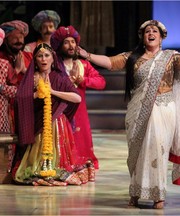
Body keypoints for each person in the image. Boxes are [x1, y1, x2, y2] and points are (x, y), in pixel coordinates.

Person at [77, 19, 180, 209]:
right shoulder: (133, 57)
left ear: (161, 37)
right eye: (147, 31)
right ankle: (136, 192)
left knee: (158, 150)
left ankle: (158, 195)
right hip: (137, 111)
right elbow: (109, 62)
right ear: (143, 36)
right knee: (137, 152)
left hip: (163, 110)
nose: (151, 33)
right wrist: (86, 55)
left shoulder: (171, 57)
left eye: (154, 31)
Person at [12, 43, 90, 186]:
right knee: (36, 165)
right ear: (35, 60)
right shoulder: (31, 78)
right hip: (39, 125)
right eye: (40, 56)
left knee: (59, 157)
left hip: (58, 124)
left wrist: (53, 92)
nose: (43, 59)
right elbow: (20, 100)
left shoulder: (59, 77)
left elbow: (77, 98)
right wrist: (36, 94)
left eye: (47, 55)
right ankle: (42, 169)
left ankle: (56, 168)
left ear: (53, 59)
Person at [50, 25, 106, 181]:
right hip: (59, 111)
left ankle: (82, 166)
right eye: (66, 42)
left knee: (82, 142)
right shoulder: (53, 66)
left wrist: (83, 80)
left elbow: (101, 82)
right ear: (59, 45)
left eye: (73, 42)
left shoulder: (83, 65)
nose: (71, 45)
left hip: (80, 112)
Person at [0, 28, 17, 173]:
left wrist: (2, 88)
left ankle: (4, 173)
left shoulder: (4, 65)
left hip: (1, 115)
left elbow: (16, 90)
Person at [0, 20, 32, 85]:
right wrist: (17, 70)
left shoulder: (30, 56)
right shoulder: (1, 58)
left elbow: (40, 80)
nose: (19, 40)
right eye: (14, 37)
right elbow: (2, 86)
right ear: (5, 40)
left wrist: (25, 70)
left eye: (21, 37)